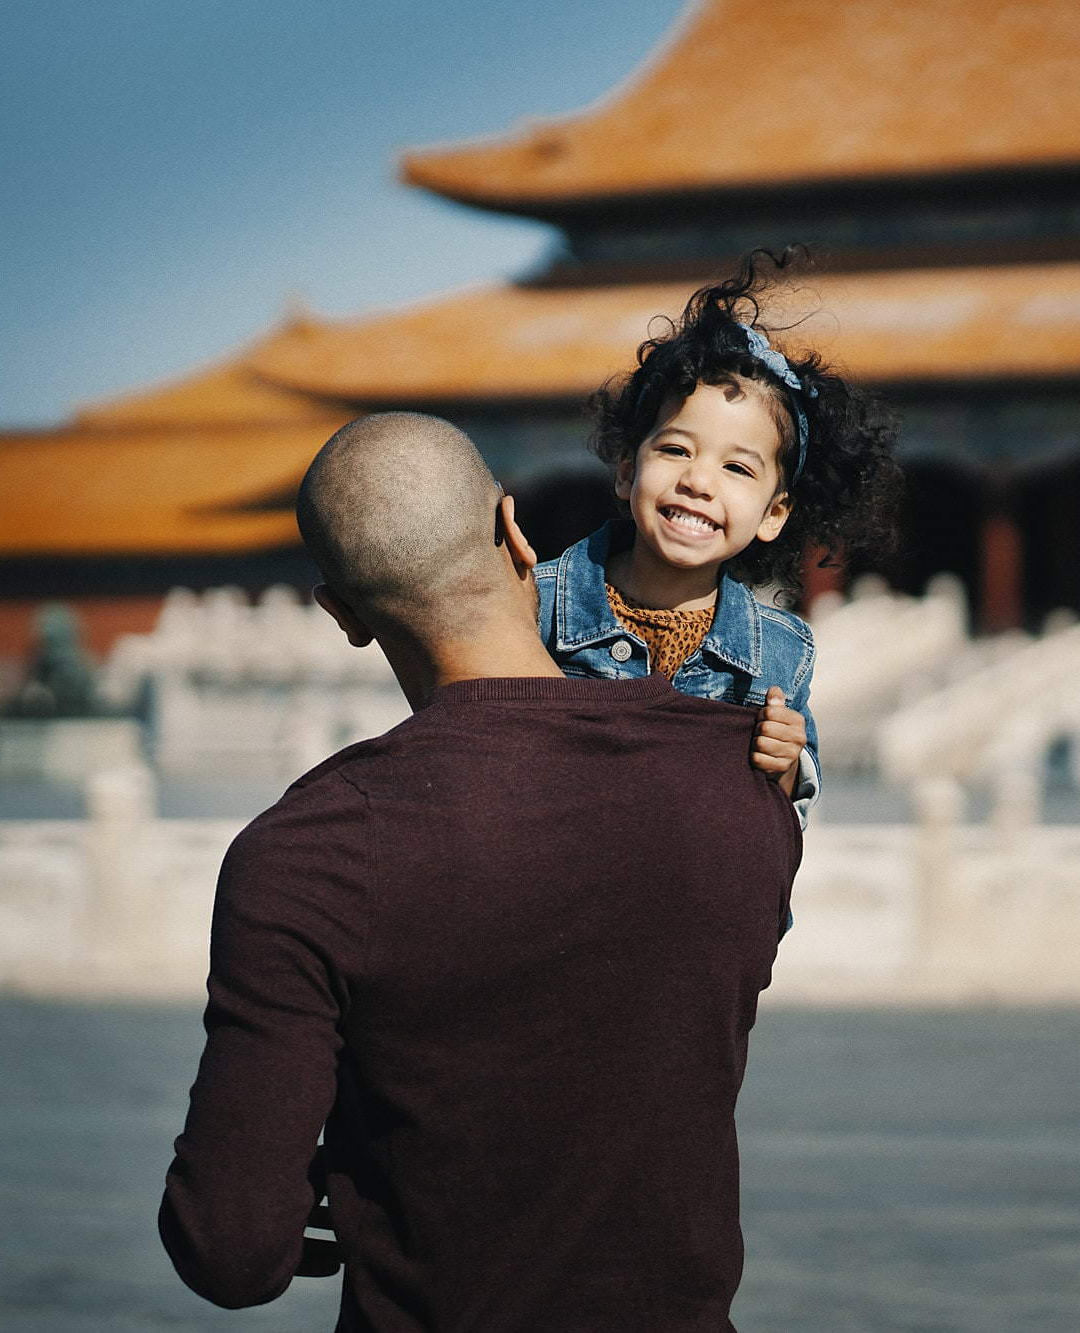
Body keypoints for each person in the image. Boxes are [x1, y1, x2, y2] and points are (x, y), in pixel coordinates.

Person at [159, 412, 802, 1331]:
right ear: (514, 532)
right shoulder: (738, 784)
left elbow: (230, 1248)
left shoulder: (303, 855)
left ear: (340, 613)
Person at [535, 246, 902, 849]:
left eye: (738, 467)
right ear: (627, 472)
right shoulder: (535, 604)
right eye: (676, 450)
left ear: (773, 514)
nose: (699, 482)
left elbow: (780, 823)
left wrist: (783, 764)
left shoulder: (781, 651)